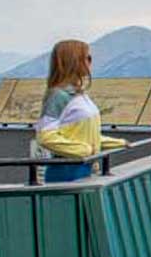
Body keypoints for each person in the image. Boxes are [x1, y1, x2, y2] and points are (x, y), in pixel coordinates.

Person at [35, 40, 125, 182]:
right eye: (87, 58)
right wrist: (84, 151)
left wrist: (118, 143)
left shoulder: (79, 94)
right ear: (73, 61)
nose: (90, 62)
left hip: (85, 167)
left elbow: (83, 136)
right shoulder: (58, 96)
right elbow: (45, 137)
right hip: (67, 171)